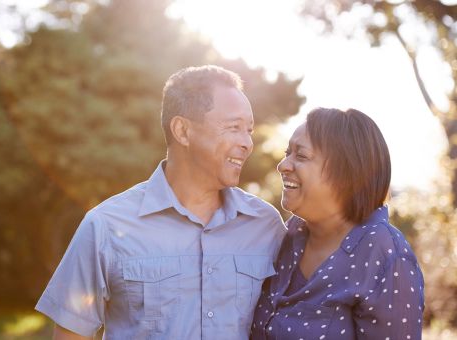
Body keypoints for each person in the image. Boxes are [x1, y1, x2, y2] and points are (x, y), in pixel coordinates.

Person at [36, 65, 287, 339]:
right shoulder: (105, 226)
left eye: (248, 130)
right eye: (234, 128)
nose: (247, 143)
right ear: (182, 130)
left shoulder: (267, 225)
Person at [251, 108, 425, 339]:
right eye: (287, 153)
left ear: (348, 171)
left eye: (301, 156)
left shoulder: (386, 255)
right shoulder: (289, 235)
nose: (283, 165)